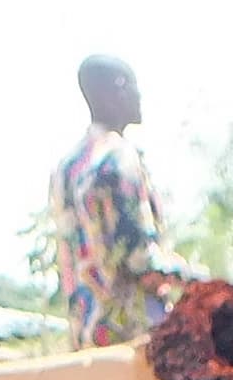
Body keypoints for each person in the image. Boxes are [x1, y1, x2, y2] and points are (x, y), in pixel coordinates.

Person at [48, 57, 178, 347]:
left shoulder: (66, 168)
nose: (139, 96)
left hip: (86, 336)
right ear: (117, 90)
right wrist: (198, 280)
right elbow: (140, 261)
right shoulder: (119, 158)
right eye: (133, 86)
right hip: (134, 336)